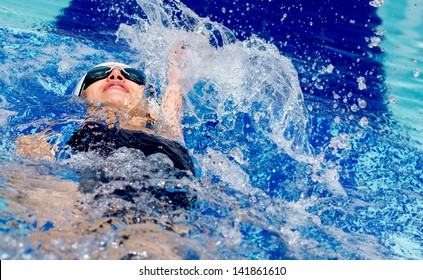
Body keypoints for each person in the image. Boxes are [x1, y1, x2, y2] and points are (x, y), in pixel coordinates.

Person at [16, 43, 195, 174]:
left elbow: (173, 98)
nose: (115, 74)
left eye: (133, 76)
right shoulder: (60, 131)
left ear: (151, 110)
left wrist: (174, 62)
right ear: (80, 99)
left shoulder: (168, 133)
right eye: (98, 74)